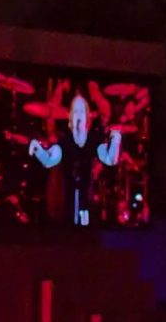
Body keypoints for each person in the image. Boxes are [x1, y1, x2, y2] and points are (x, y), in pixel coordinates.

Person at [28, 95, 122, 227]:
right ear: (70, 116)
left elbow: (110, 160)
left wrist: (116, 140)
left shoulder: (94, 140)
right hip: (65, 197)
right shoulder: (64, 140)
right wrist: (38, 149)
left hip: (85, 196)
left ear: (88, 116)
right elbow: (49, 161)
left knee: (84, 224)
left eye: (82, 111)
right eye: (76, 111)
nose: (79, 115)